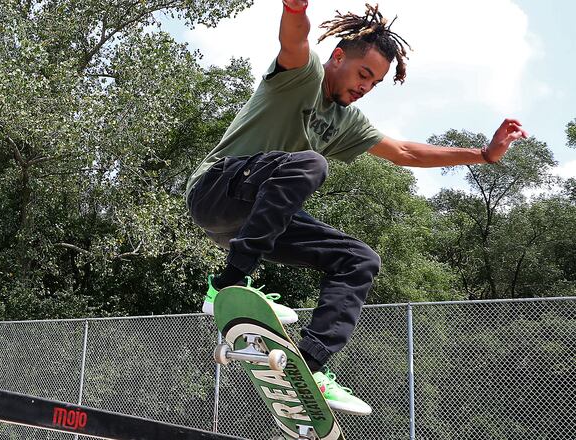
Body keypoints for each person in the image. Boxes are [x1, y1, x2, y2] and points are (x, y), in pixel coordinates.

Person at [185, 1, 528, 415]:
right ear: (337, 57)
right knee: (311, 164)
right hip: (216, 189)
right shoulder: (302, 75)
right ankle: (225, 284)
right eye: (363, 74)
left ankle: (306, 368)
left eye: (375, 83)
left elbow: (404, 152)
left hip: (254, 220)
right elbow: (292, 39)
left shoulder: (348, 123)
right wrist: (294, 8)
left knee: (359, 259)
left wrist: (483, 154)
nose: (365, 87)